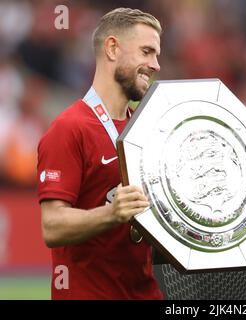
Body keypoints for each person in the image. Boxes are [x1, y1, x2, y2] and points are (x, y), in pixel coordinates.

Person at [37, 8, 163, 299]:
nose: (155, 64)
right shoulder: (69, 128)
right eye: (146, 52)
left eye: (156, 55)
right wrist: (112, 213)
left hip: (147, 293)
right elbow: (52, 226)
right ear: (112, 48)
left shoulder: (147, 128)